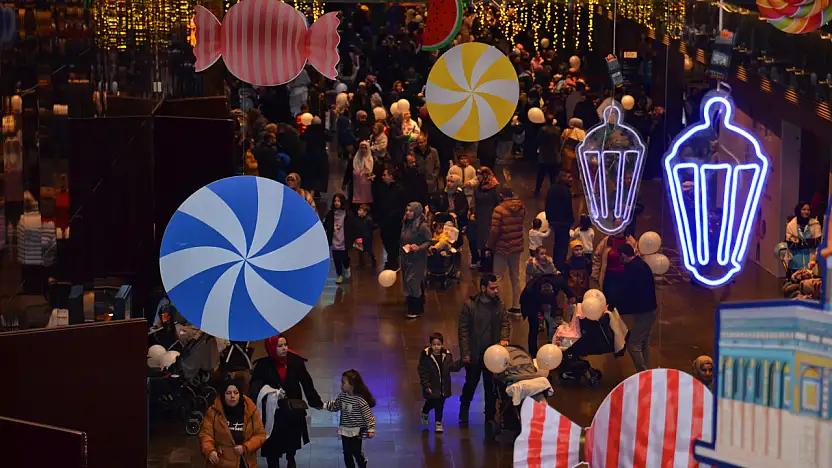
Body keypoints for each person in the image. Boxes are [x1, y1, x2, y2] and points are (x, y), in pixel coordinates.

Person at [250, 335, 323, 468]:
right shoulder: (262, 365)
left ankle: (291, 458)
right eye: (280, 346)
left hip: (292, 410)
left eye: (285, 345)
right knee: (272, 444)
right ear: (271, 348)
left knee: (291, 438)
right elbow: (254, 388)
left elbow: (306, 383)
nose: (284, 348)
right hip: (273, 412)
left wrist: (315, 402)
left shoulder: (296, 362)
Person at [458, 275, 510, 427]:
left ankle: (489, 416)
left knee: (491, 387)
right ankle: (464, 407)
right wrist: (465, 353)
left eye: (496, 288)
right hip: (475, 354)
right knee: (471, 384)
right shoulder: (470, 306)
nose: (496, 291)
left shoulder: (499, 305)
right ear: (483, 288)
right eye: (492, 288)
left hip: (493, 356)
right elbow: (463, 331)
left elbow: (505, 323)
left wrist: (504, 338)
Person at [199, 378, 266, 468]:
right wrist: (210, 451)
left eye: (236, 393)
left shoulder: (251, 410)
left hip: (246, 462)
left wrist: (245, 447)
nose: (232, 396)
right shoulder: (213, 411)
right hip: (221, 462)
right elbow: (206, 435)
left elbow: (260, 435)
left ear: (240, 394)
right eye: (228, 393)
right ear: (223, 395)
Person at [616, 244, 657, 372]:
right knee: (644, 342)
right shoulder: (641, 265)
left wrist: (617, 305)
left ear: (623, 255)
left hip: (643, 311)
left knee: (633, 344)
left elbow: (628, 290)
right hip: (649, 309)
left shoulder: (633, 269)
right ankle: (646, 371)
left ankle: (643, 372)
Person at [324, 370, 377, 468]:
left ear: (352, 385)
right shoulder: (342, 396)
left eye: (343, 382)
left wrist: (371, 428)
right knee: (347, 453)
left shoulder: (360, 401)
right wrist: (325, 405)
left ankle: (362, 462)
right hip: (345, 429)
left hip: (357, 431)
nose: (341, 385)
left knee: (356, 452)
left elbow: (368, 415)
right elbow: (336, 405)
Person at [488, 187, 527, 314]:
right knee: (515, 277)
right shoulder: (521, 208)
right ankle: (517, 305)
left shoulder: (498, 210)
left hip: (502, 247)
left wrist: (489, 245)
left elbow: (494, 231)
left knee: (498, 276)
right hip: (516, 246)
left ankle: (498, 305)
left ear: (501, 195)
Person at [418, 332, 464, 433]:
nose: (436, 347)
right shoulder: (426, 357)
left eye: (438, 344)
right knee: (431, 402)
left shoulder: (446, 356)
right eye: (434, 344)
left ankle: (438, 422)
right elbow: (423, 371)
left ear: (442, 345)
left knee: (440, 404)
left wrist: (461, 363)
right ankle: (425, 411)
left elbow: (452, 367)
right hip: (432, 386)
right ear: (430, 345)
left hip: (443, 386)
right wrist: (426, 384)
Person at [519, 275, 574, 357]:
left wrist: (571, 304)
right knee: (534, 327)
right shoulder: (530, 291)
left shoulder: (558, 281)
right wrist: (538, 314)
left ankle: (552, 346)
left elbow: (569, 293)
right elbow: (525, 305)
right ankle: (533, 354)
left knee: (551, 323)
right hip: (531, 303)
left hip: (546, 300)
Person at [401, 202, 432, 318]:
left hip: (418, 258)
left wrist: (418, 248)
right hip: (406, 257)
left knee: (412, 281)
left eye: (411, 211)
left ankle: (415, 308)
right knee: (408, 280)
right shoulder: (406, 223)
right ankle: (417, 303)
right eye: (407, 210)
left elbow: (429, 241)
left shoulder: (422, 226)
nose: (408, 213)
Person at [596, 231, 636, 311]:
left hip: (625, 275)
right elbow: (597, 256)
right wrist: (595, 273)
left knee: (623, 301)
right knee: (609, 301)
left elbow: (635, 258)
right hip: (610, 276)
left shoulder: (631, 241)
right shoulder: (607, 240)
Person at [471, 167, 502, 270]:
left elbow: (498, 202)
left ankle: (490, 263)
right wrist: (473, 212)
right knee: (481, 239)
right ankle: (483, 261)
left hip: (491, 216)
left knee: (489, 238)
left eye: (480, 174)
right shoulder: (478, 187)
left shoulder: (495, 187)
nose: (477, 177)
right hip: (480, 216)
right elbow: (475, 200)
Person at [545, 171, 575, 271]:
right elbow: (568, 207)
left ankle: (555, 263)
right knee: (563, 244)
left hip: (554, 220)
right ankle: (560, 265)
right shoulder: (566, 190)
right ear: (563, 178)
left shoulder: (552, 189)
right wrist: (571, 221)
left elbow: (547, 204)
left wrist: (549, 219)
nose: (571, 179)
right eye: (568, 177)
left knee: (557, 244)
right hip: (564, 222)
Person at [377, 168, 406, 270]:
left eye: (385, 175)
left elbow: (401, 206)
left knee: (393, 241)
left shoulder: (399, 189)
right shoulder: (383, 188)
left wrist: (394, 214)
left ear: (391, 176)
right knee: (385, 240)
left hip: (394, 221)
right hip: (384, 220)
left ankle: (393, 260)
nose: (383, 177)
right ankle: (391, 258)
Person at [324, 193, 357, 285]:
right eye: (335, 201)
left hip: (344, 240)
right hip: (334, 240)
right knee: (336, 259)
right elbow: (326, 225)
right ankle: (339, 275)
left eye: (338, 201)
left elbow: (353, 227)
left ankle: (347, 266)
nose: (336, 203)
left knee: (344, 257)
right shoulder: (330, 214)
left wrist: (354, 238)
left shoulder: (349, 214)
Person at [786, 201, 823, 274]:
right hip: (795, 262)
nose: (806, 212)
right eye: (803, 209)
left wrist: (801, 242)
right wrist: (807, 242)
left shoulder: (815, 224)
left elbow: (817, 242)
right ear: (799, 210)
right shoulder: (791, 225)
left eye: (808, 210)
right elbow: (791, 244)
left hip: (810, 261)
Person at [533, 115, 561, 197]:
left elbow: (538, 140)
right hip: (554, 154)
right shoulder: (557, 129)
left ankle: (537, 190)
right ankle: (554, 191)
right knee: (553, 175)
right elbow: (559, 141)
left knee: (541, 174)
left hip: (544, 154)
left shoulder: (543, 129)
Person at [350, 141, 375, 206]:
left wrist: (372, 176)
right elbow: (349, 172)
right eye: (361, 148)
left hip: (368, 192)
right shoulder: (355, 160)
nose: (363, 150)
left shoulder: (372, 160)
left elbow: (375, 173)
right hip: (356, 191)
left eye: (365, 148)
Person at [355, 203, 376, 268]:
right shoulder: (359, 219)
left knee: (368, 250)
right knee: (359, 250)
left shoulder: (368, 220)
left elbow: (369, 230)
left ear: (365, 212)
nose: (358, 211)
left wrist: (367, 237)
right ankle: (361, 263)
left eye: (360, 210)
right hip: (359, 236)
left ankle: (373, 260)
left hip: (366, 238)